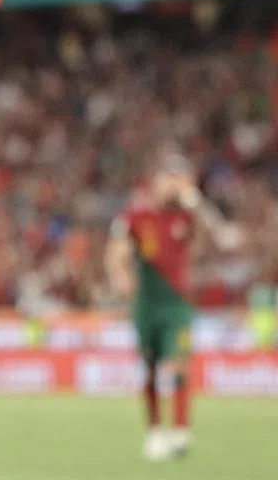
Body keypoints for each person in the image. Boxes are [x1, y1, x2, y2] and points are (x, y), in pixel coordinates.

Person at [106, 154, 217, 462]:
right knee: (150, 368)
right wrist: (121, 276)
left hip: (177, 304)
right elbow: (117, 251)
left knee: (180, 362)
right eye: (169, 177)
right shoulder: (135, 216)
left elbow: (213, 235)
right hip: (146, 304)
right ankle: (154, 432)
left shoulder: (187, 216)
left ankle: (180, 430)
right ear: (155, 181)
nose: (174, 185)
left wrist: (196, 201)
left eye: (179, 178)